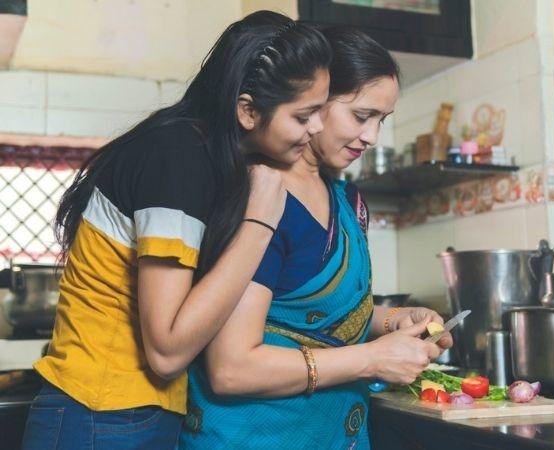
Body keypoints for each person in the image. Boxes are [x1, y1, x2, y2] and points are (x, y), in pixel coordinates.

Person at [21, 11, 332, 450]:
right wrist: (261, 222)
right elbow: (167, 351)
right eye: (304, 116)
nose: (317, 128)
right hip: (98, 413)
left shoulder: (206, 158)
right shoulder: (179, 157)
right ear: (247, 111)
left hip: (129, 414)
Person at [179, 26, 452, 450]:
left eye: (382, 120)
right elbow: (231, 368)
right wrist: (373, 358)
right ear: (315, 100)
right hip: (253, 437)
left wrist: (394, 320)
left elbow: (312, 314)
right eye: (361, 116)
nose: (371, 136)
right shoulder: (261, 201)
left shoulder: (347, 201)